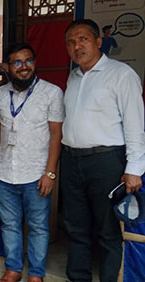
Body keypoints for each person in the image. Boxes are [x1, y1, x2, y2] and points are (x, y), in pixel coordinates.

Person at [61, 19, 145, 282]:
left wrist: (134, 169)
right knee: (75, 227)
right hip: (72, 161)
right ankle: (78, 277)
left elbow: (134, 124)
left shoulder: (121, 74)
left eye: (83, 39)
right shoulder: (73, 77)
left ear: (99, 42)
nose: (77, 46)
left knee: (108, 229)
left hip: (107, 161)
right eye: (72, 42)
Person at [0, 43, 64, 282]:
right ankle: (13, 269)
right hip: (5, 172)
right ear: (8, 67)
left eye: (28, 61)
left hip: (36, 173)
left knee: (38, 226)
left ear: (35, 63)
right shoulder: (1, 93)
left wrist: (50, 173)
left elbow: (56, 135)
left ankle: (37, 274)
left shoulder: (52, 93)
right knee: (9, 225)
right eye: (17, 63)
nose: (23, 67)